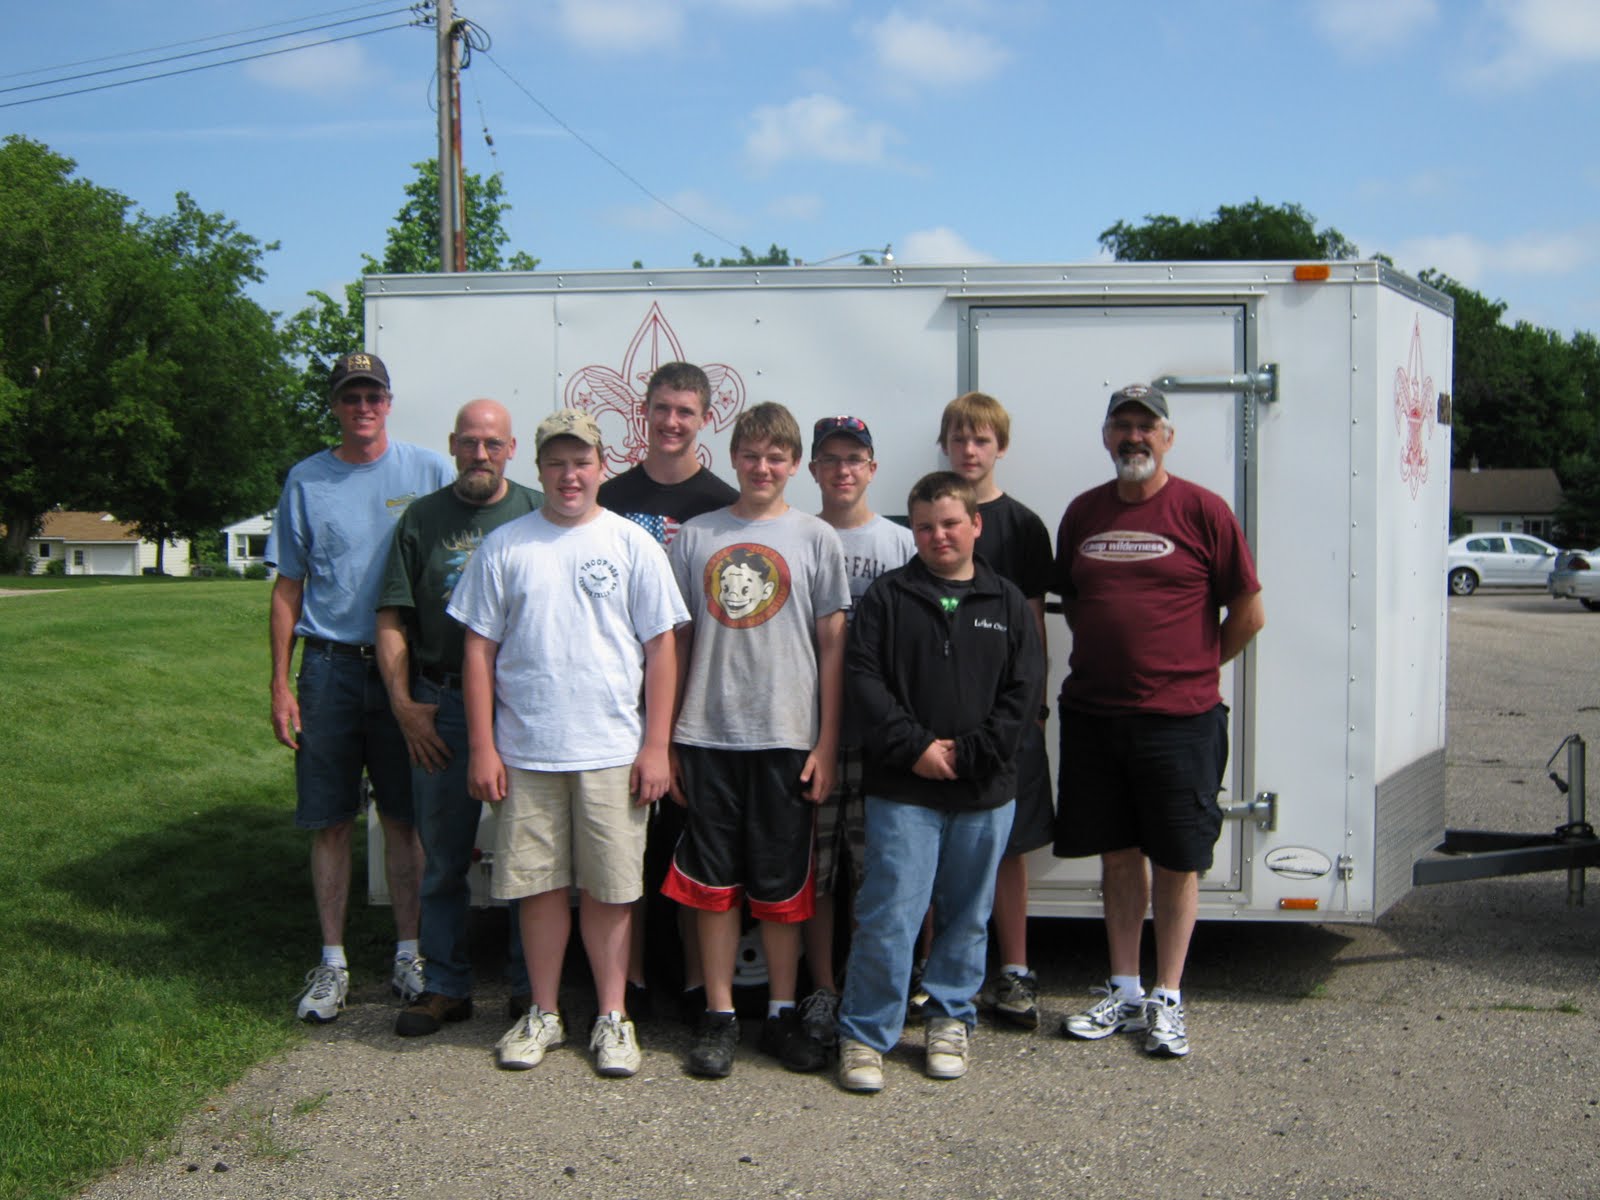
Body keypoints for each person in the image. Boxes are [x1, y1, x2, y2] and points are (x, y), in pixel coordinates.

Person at [449, 409, 688, 1077]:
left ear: (601, 467)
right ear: (539, 469)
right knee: (539, 889)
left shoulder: (632, 544)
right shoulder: (506, 546)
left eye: (580, 461)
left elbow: (661, 648)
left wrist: (656, 746)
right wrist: (482, 746)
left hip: (613, 750)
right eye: (556, 462)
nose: (569, 474)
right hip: (526, 752)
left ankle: (613, 1017)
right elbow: (478, 650)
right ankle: (545, 1014)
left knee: (613, 891)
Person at [1053, 383, 1265, 1059]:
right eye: (1123, 426)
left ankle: (1168, 997)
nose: (1134, 437)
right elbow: (1079, 603)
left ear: (1167, 438)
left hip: (1181, 721)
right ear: (1106, 437)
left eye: (1147, 426)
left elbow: (1249, 614)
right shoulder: (1083, 513)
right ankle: (1124, 988)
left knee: (1177, 862)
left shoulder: (1204, 511)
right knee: (1118, 856)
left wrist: (1197, 669)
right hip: (1095, 716)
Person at [834, 471, 1044, 1092]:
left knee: (967, 915)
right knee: (890, 913)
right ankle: (866, 1033)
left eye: (950, 523)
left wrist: (974, 753)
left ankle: (951, 1018)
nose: (938, 536)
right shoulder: (887, 599)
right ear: (912, 531)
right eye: (924, 526)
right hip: (905, 790)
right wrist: (917, 748)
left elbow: (1023, 690)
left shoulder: (1005, 601)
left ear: (976, 524)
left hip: (983, 791)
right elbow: (865, 685)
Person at [661, 402, 850, 1078]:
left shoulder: (815, 538)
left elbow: (833, 644)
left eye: (777, 456)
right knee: (711, 884)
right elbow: (675, 642)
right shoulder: (697, 537)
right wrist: (667, 740)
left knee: (780, 885)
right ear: (732, 456)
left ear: (795, 465)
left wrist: (826, 743)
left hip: (787, 737)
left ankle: (779, 1011)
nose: (763, 466)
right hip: (707, 735)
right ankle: (719, 1016)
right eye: (751, 454)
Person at [266, 351, 454, 1022]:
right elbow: (288, 588)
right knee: (330, 819)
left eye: (373, 394)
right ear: (336, 406)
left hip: (405, 669)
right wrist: (280, 685)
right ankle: (333, 962)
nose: (363, 407)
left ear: (389, 401)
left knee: (405, 819)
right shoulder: (306, 482)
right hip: (330, 668)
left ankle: (410, 954)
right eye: (351, 397)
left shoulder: (428, 471)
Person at [375, 399, 543, 1037]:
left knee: (529, 856)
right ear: (452, 445)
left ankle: (532, 991)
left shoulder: (534, 512)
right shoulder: (423, 519)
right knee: (443, 857)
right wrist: (404, 706)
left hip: (519, 706)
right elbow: (391, 618)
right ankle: (444, 985)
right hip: (439, 706)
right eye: (470, 443)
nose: (480, 454)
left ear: (511, 448)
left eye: (492, 444)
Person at [598, 361, 738, 1022]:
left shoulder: (723, 502)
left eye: (685, 411)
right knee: (627, 849)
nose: (672, 422)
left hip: (698, 702)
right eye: (662, 409)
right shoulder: (611, 497)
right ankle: (630, 986)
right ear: (643, 413)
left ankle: (688, 984)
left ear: (705, 419)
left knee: (687, 849)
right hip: (618, 699)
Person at [937, 391, 1054, 1029]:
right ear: (946, 445)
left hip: (1007, 719)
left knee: (1007, 849)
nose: (970, 449)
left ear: (999, 448)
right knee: (931, 845)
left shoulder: (1024, 526)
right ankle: (931, 970)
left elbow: (1034, 630)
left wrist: (1029, 711)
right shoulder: (928, 519)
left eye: (982, 440)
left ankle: (1014, 971)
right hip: (941, 717)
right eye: (959, 439)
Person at [797, 415, 914, 1049]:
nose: (843, 470)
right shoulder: (799, 537)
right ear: (813, 470)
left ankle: (880, 984)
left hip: (882, 738)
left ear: (872, 468)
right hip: (813, 731)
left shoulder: (899, 545)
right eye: (831, 459)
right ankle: (820, 986)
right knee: (816, 870)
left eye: (856, 458)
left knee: (881, 870)